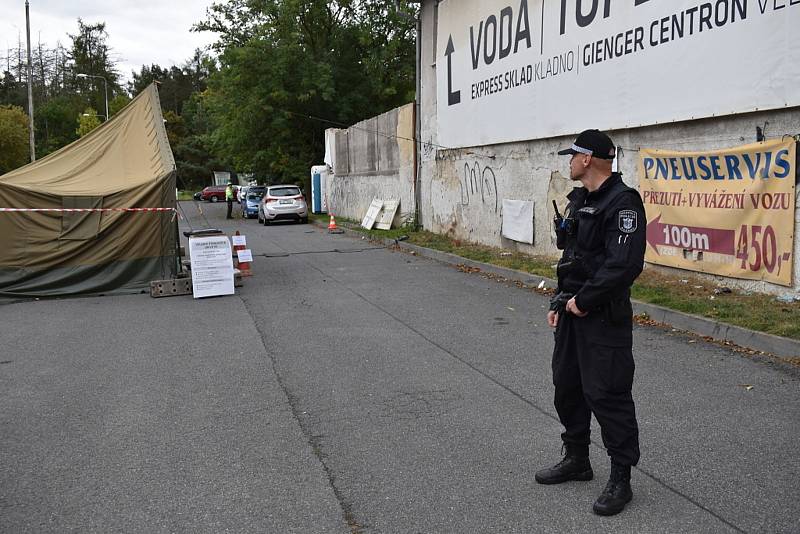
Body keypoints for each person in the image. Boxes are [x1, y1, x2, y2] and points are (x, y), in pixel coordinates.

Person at [536, 129, 646, 516]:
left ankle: (621, 478)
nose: (569, 161)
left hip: (602, 318)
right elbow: (573, 260)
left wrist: (585, 301)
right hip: (572, 313)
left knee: (608, 394)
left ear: (588, 159)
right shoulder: (578, 200)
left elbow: (624, 265)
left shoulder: (623, 204)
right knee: (567, 387)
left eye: (573, 155)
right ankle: (578, 460)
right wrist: (560, 298)